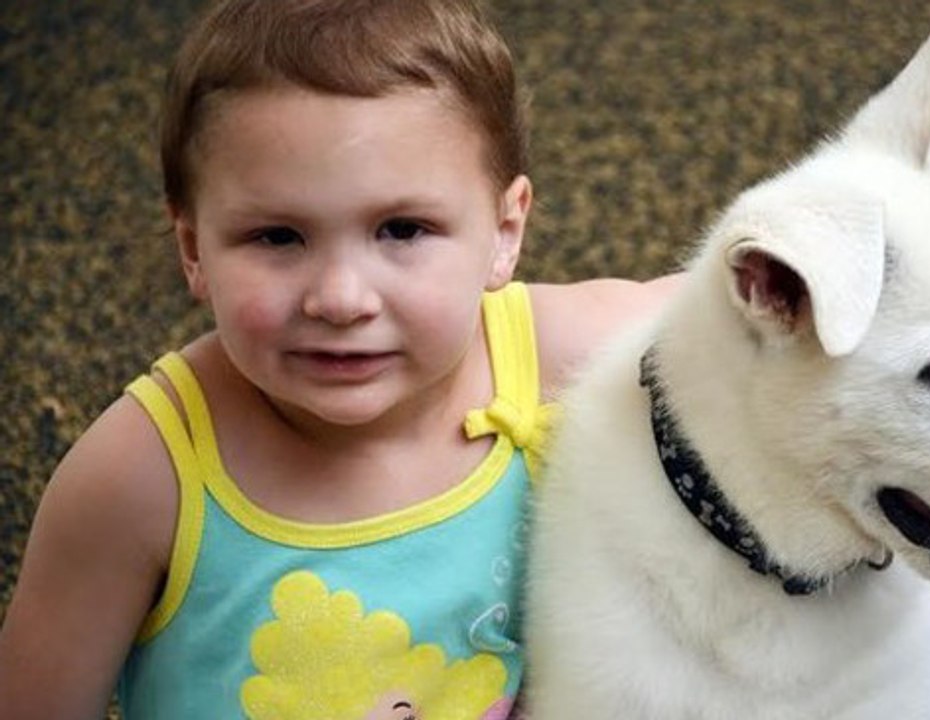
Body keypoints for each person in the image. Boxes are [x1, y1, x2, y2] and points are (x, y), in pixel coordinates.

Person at [0, 1, 676, 717]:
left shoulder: (557, 351)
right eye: (279, 237)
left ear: (505, 231)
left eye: (403, 229)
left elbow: (761, 287)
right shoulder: (141, 476)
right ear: (194, 249)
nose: (342, 298)